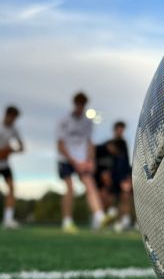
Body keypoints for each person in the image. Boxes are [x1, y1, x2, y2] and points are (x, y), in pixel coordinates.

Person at [56, 92, 107, 233]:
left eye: (83, 104)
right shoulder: (64, 120)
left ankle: (100, 217)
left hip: (82, 160)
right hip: (66, 159)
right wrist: (74, 162)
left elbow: (89, 142)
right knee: (70, 188)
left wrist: (91, 160)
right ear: (74, 104)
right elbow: (60, 145)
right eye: (78, 104)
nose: (80, 107)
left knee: (91, 185)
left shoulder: (87, 122)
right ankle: (67, 222)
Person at [95, 121, 133, 233]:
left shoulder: (124, 143)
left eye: (122, 129)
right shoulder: (108, 144)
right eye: (119, 129)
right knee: (109, 199)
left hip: (122, 176)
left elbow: (126, 160)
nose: (121, 131)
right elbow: (97, 152)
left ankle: (123, 222)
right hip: (112, 177)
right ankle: (104, 221)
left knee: (125, 197)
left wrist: (127, 176)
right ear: (115, 130)